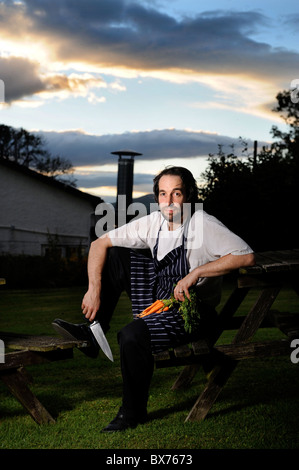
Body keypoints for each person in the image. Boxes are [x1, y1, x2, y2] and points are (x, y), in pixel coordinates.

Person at [52, 166, 255, 432]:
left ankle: (131, 412)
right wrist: (94, 288)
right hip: (160, 299)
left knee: (131, 336)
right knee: (117, 253)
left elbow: (246, 255)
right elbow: (98, 243)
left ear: (189, 196)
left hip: (193, 312)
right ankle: (94, 330)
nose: (169, 202)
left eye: (176, 193)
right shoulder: (154, 222)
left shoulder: (203, 224)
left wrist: (197, 273)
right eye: (162, 194)